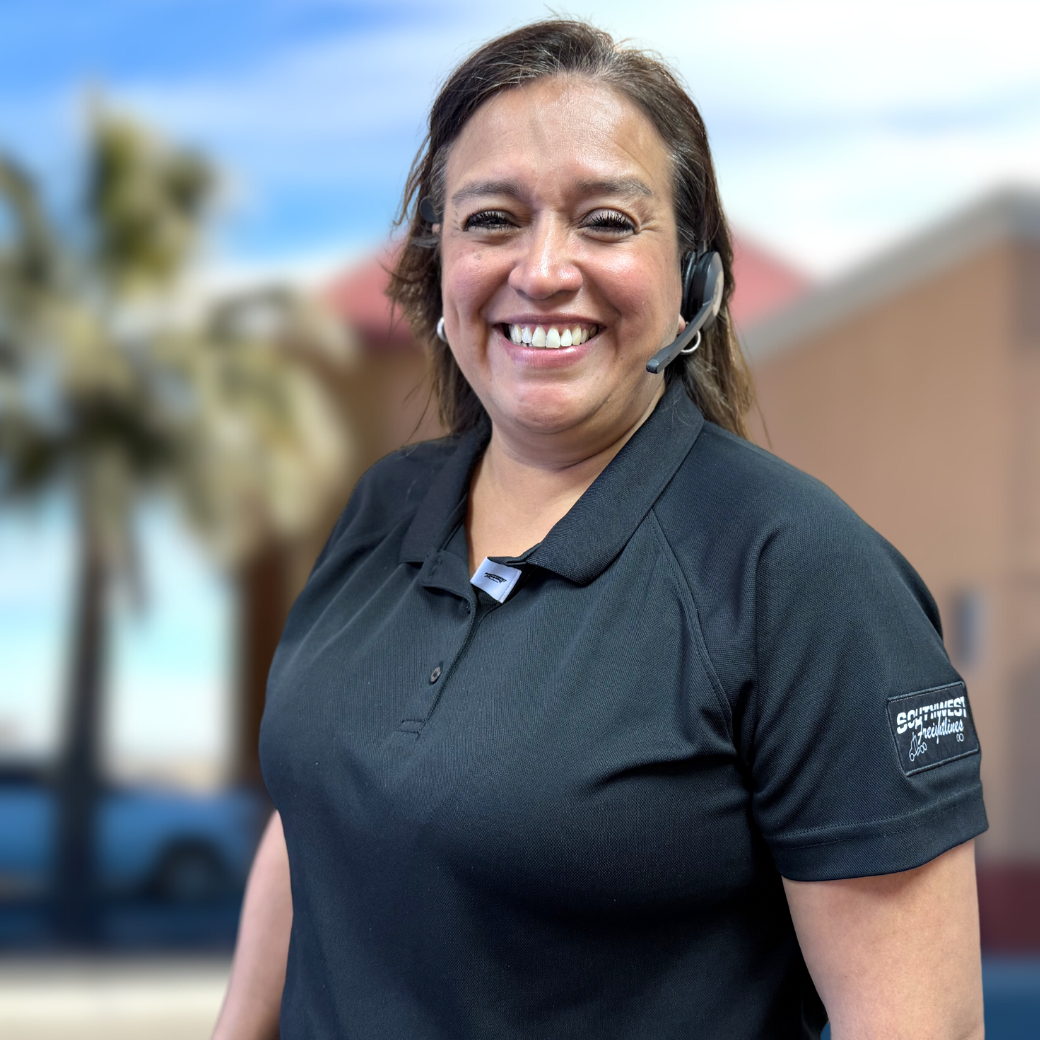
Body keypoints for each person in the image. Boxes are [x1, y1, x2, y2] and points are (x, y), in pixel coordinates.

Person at [213, 19, 987, 1040]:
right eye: (492, 218)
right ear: (439, 267)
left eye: (606, 221)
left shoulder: (800, 573)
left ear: (692, 282)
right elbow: (317, 808)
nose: (541, 269)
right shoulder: (382, 508)